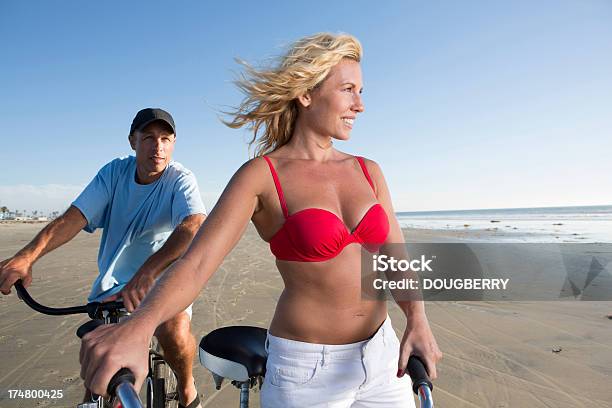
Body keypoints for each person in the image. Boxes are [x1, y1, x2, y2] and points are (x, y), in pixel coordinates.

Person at [79, 34, 442, 407]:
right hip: (305, 373)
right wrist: (138, 329)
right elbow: (197, 263)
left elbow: (394, 259)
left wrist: (417, 318)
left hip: (383, 360)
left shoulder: (369, 171)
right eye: (348, 89)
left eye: (361, 90)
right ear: (305, 94)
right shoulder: (261, 175)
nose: (360, 105)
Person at [0, 108, 206, 408]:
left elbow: (192, 225)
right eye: (148, 137)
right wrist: (26, 257)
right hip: (113, 290)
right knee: (98, 377)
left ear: (173, 143)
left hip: (162, 282)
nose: (157, 146)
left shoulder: (180, 179)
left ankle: (187, 389)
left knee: (174, 329)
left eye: (165, 138)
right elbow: (73, 218)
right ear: (132, 141)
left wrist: (147, 273)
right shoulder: (113, 174)